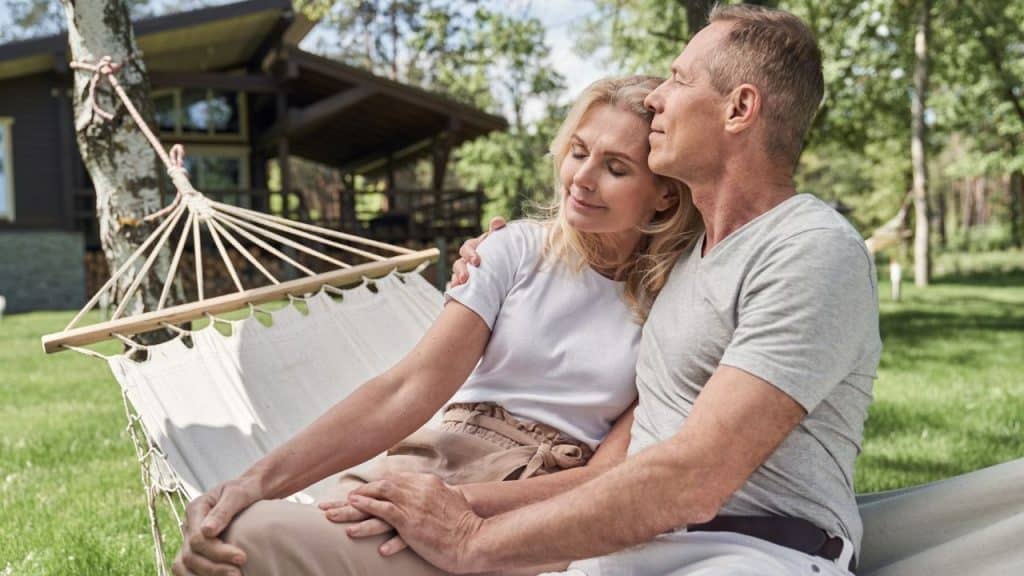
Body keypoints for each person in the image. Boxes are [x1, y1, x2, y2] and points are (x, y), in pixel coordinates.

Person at [341, 5, 881, 576]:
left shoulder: (809, 249)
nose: (656, 98)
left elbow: (695, 479)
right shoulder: (677, 269)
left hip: (754, 551)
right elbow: (596, 254)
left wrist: (471, 539)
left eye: (679, 79)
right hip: (617, 547)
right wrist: (500, 249)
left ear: (740, 108)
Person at [172, 75, 703, 576]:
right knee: (236, 528)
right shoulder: (514, 251)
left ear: (666, 195)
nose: (582, 178)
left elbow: (602, 478)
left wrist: (454, 508)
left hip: (528, 505)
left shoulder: (677, 307)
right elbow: (409, 387)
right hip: (431, 459)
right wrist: (250, 482)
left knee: (249, 540)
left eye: (616, 168)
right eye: (579, 152)